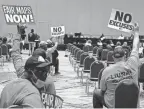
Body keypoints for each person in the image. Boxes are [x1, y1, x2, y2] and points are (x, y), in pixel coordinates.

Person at [93, 22, 140, 108]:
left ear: (113, 58)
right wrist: (136, 32)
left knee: (96, 93)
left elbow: (103, 89)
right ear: (125, 56)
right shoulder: (133, 63)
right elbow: (135, 47)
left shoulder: (106, 71)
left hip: (114, 105)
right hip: (132, 104)